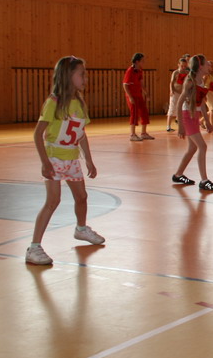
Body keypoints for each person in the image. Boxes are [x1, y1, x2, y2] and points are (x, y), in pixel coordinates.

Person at [25, 56, 105, 266]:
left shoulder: (79, 102)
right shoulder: (53, 102)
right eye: (82, 74)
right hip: (54, 158)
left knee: (82, 197)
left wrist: (89, 160)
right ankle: (34, 247)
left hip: (72, 159)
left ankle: (81, 229)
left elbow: (81, 133)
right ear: (68, 76)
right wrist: (45, 162)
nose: (85, 78)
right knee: (52, 202)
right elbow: (38, 134)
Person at [172, 54, 213, 191]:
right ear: (200, 67)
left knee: (192, 148)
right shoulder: (190, 81)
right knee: (202, 147)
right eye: (207, 64)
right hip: (187, 115)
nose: (209, 66)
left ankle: (178, 175)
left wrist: (207, 121)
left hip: (194, 115)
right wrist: (180, 125)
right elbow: (179, 103)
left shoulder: (201, 80)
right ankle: (204, 181)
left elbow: (201, 103)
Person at [123, 52, 153, 141]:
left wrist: (146, 93)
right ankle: (132, 134)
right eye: (142, 61)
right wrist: (130, 97)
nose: (144, 62)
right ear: (137, 61)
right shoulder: (130, 71)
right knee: (134, 114)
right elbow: (125, 85)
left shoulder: (140, 70)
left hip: (139, 95)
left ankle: (143, 133)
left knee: (144, 112)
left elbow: (141, 84)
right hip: (132, 95)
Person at [166, 55, 189, 132]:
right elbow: (171, 82)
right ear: (178, 64)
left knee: (183, 108)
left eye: (185, 66)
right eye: (182, 66)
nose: (183, 67)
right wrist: (171, 90)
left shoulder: (187, 73)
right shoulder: (175, 72)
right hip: (175, 92)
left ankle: (181, 125)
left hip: (183, 93)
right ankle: (168, 126)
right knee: (172, 108)